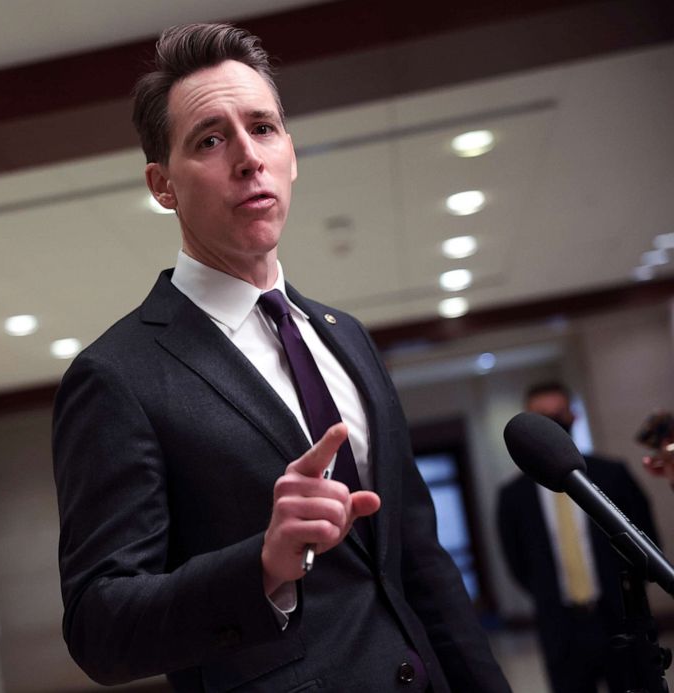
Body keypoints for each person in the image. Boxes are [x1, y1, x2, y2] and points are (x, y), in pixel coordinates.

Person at [53, 23, 510, 692]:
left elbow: (419, 561)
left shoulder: (345, 335)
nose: (247, 156)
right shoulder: (118, 375)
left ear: (290, 154)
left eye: (263, 129)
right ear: (163, 185)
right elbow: (100, 628)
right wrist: (261, 565)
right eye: (210, 139)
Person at [497, 381, 660, 693]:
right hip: (560, 626)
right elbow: (517, 560)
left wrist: (632, 590)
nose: (554, 423)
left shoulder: (612, 474)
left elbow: (646, 537)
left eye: (559, 414)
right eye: (543, 418)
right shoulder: (513, 496)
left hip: (620, 616)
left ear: (573, 416)